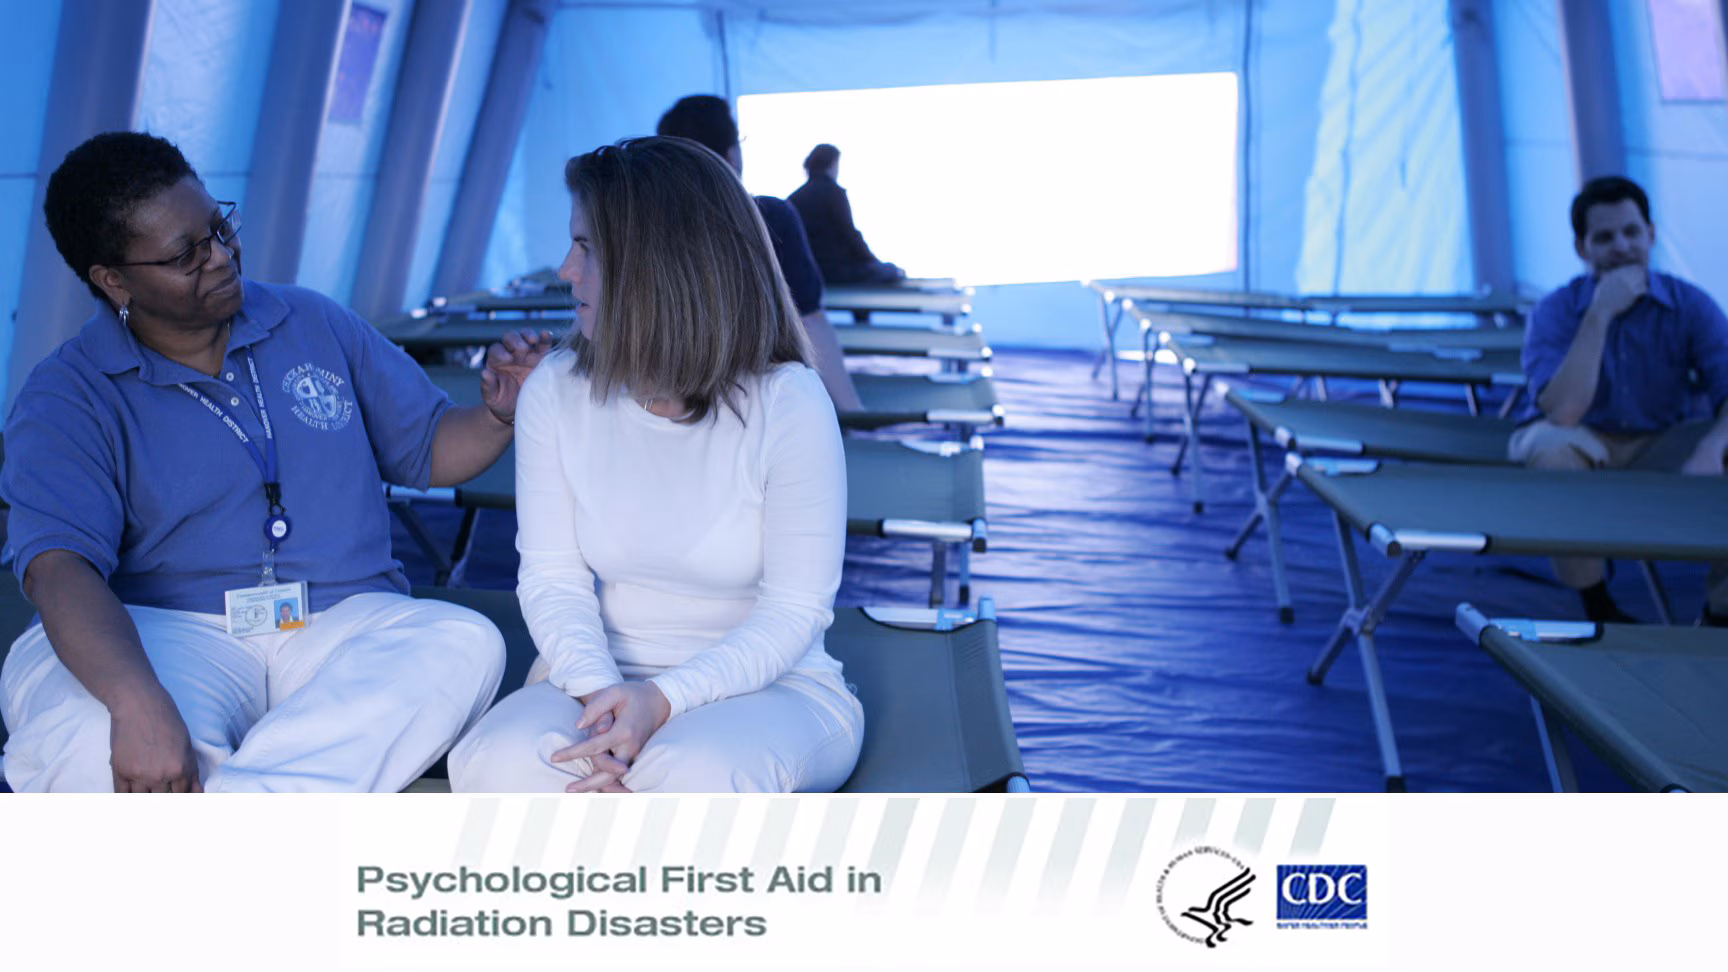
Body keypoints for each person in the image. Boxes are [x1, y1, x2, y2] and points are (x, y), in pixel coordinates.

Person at [0, 131, 553, 792]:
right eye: (185, 254)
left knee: (462, 642)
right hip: (166, 630)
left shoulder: (312, 321)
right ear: (113, 279)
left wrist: (496, 413)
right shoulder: (69, 391)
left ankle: (231, 823)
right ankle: (278, 813)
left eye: (219, 226)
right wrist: (134, 699)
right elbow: (59, 567)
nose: (222, 257)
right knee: (92, 738)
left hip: (341, 619)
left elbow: (429, 447)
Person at [448, 137, 864, 793]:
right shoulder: (555, 390)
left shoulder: (789, 401)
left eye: (586, 248)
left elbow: (792, 612)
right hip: (590, 680)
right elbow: (552, 579)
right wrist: (604, 698)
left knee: (692, 775)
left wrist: (662, 702)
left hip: (771, 688)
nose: (564, 269)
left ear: (656, 264)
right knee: (494, 766)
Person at [1512, 175, 1728, 624]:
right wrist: (1600, 312)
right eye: (1605, 237)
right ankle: (1597, 605)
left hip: (1661, 438)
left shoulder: (1691, 305)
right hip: (1581, 435)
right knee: (1550, 450)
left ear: (1651, 234)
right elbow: (1565, 412)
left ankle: (1720, 612)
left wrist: (1711, 447)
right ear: (1582, 248)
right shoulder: (1554, 311)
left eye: (1632, 232)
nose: (1622, 247)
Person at [654, 95, 863, 412]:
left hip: (668, 412)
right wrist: (853, 413)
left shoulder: (646, 231)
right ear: (731, 155)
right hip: (762, 413)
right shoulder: (770, 218)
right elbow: (811, 322)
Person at [788, 143, 905, 286]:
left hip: (808, 272)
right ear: (832, 163)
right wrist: (873, 262)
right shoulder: (834, 193)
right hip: (836, 271)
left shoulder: (794, 198)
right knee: (891, 270)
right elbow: (850, 235)